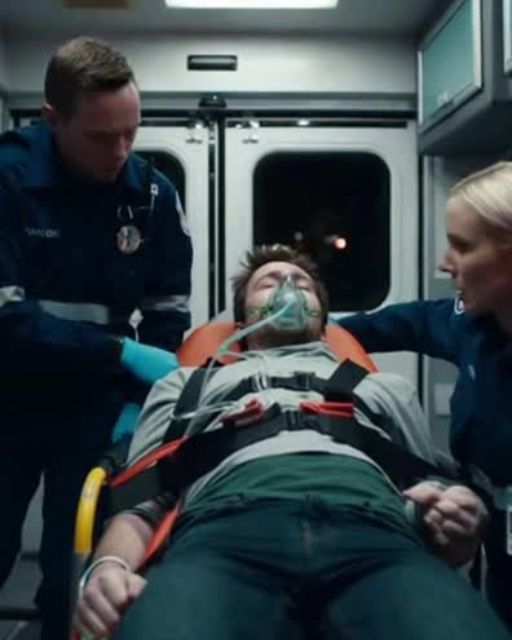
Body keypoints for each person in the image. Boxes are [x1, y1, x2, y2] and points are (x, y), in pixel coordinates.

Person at [74, 245, 509, 640]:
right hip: (225, 531)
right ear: (242, 321)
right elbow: (140, 501)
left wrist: (453, 525)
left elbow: (425, 492)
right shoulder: (186, 385)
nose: (288, 288)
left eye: (302, 284)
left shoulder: (385, 388)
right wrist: (108, 566)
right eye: (269, 283)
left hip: (375, 530)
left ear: (324, 320)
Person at [0, 37, 192, 639]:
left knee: (72, 565)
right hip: (7, 394)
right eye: (100, 137)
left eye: (131, 132)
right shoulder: (7, 181)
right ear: (51, 119)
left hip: (93, 405)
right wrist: (120, 351)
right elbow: (8, 319)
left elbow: (167, 310)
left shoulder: (152, 194)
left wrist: (140, 403)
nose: (120, 152)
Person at [337, 160, 512, 631]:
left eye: (463, 246)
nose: (445, 263)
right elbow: (406, 322)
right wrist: (320, 333)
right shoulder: (474, 324)